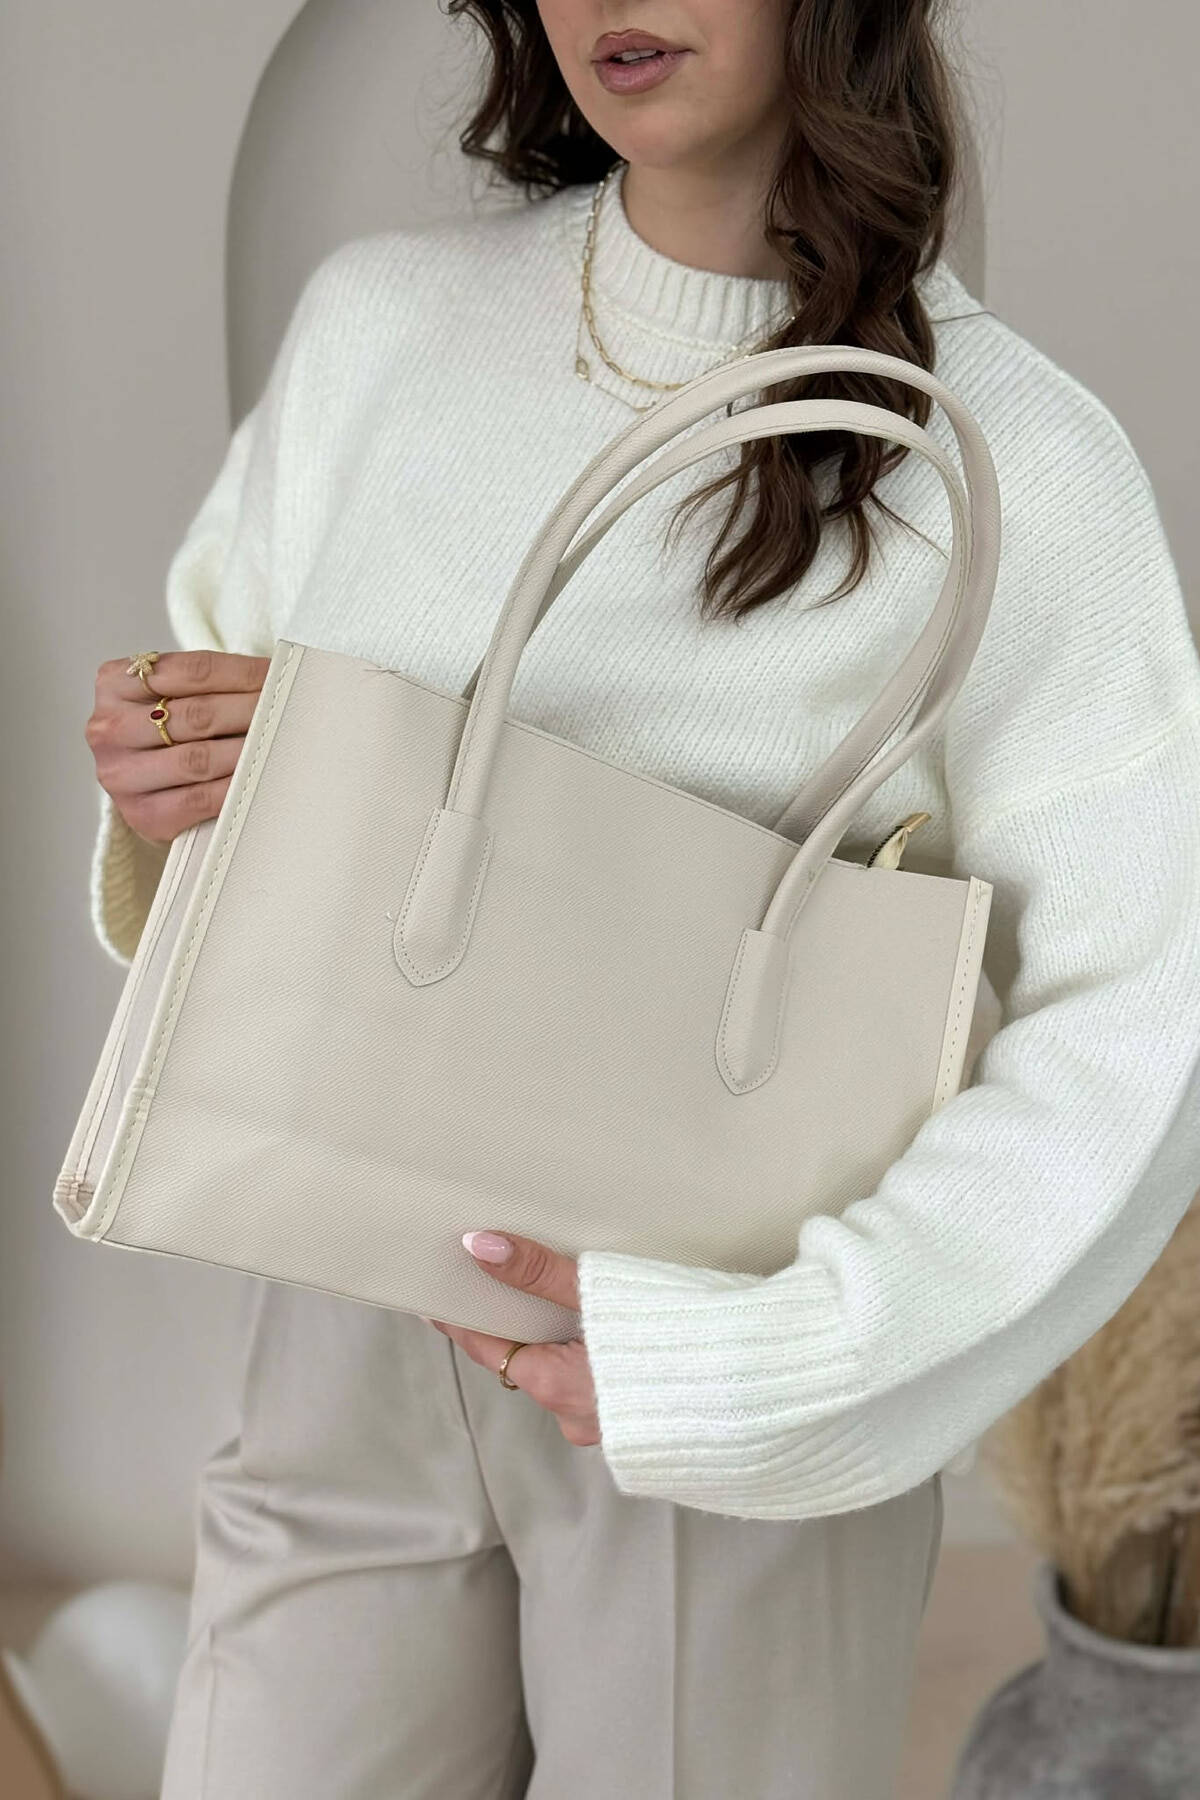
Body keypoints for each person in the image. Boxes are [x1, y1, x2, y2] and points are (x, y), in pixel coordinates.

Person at [83, 3, 1200, 1796]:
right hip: (338, 1303)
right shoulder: (384, 329)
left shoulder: (1018, 465)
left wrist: (777, 1360)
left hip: (717, 1339)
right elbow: (237, 740)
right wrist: (171, 793)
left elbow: (1138, 1030)